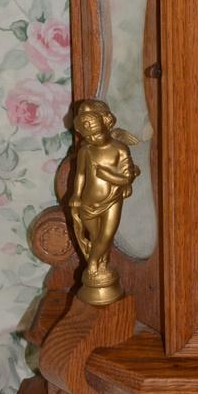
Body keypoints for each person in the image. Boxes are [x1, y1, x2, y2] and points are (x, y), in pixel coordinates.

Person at [66, 99, 139, 305]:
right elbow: (80, 176)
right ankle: (100, 266)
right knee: (95, 236)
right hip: (89, 202)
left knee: (106, 235)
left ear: (107, 123)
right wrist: (76, 195)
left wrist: (107, 174)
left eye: (96, 132)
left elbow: (126, 177)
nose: (92, 138)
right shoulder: (85, 151)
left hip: (113, 199)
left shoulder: (120, 149)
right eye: (87, 134)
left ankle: (92, 266)